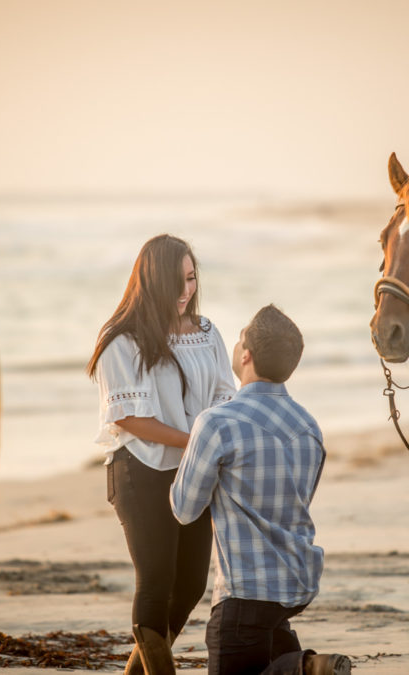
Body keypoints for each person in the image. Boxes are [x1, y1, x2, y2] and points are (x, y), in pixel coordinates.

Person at [170, 305, 351, 675]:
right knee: (268, 640)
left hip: (245, 591)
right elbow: (298, 502)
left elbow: (185, 508)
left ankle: (305, 668)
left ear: (246, 355)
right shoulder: (309, 426)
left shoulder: (218, 422)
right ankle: (301, 665)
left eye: (238, 341)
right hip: (297, 583)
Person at [87, 234, 237, 675]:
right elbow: (130, 419)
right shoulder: (121, 340)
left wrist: (219, 443)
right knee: (155, 582)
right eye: (175, 282)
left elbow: (226, 397)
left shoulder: (208, 333)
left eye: (190, 279)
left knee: (190, 584)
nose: (185, 291)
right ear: (150, 283)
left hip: (194, 471)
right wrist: (197, 439)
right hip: (140, 470)